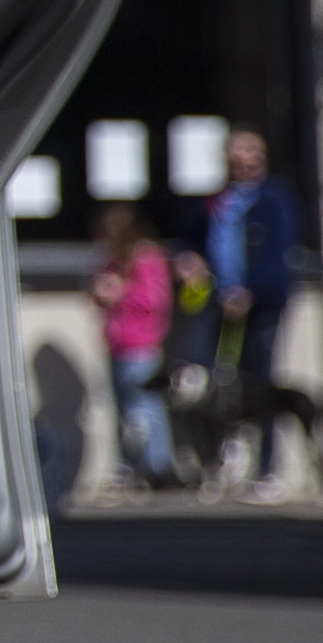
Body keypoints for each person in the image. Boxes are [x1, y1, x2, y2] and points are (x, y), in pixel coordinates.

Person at [204, 128, 306, 490]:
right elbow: (197, 235)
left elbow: (278, 252)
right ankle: (228, 462)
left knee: (262, 385)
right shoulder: (220, 199)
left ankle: (268, 467)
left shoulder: (275, 198)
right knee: (225, 384)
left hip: (261, 304)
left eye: (253, 158)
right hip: (222, 304)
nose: (246, 166)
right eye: (239, 159)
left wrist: (249, 291)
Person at [92, 202, 178, 487]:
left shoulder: (147, 258)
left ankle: (158, 467)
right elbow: (100, 294)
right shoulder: (112, 259)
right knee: (124, 410)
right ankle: (130, 465)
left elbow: (155, 301)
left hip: (142, 346)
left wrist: (122, 292)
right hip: (117, 344)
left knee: (146, 406)